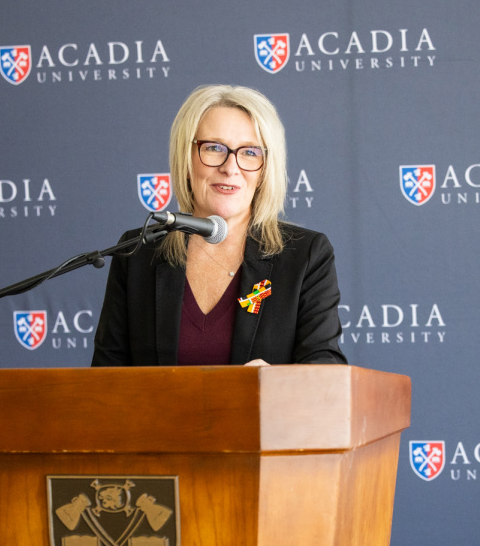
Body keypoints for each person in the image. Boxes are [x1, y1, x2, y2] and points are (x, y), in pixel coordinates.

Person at [91, 85, 346, 366]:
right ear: (186, 159)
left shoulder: (306, 255)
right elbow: (106, 376)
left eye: (250, 153)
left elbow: (326, 371)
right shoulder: (140, 252)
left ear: (264, 170)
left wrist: (279, 384)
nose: (230, 167)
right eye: (214, 148)